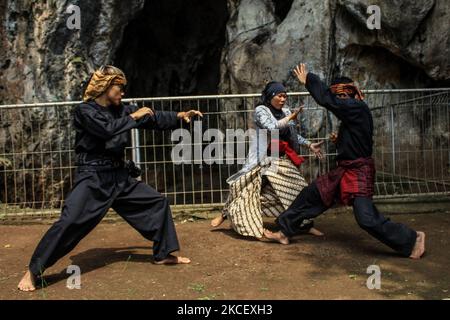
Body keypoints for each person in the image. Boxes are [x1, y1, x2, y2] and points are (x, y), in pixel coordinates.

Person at [18, 65, 203, 291]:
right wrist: (135, 116)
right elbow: (106, 130)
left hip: (118, 176)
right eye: (120, 88)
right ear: (106, 86)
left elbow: (151, 119)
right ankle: (32, 271)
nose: (123, 93)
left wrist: (179, 116)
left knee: (157, 202)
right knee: (69, 221)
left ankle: (163, 255)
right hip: (93, 177)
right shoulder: (85, 111)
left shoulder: (121, 110)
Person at [264, 64, 426, 260]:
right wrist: (339, 140)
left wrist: (309, 79)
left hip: (359, 172)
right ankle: (284, 232)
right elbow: (357, 139)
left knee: (366, 219)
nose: (339, 100)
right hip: (344, 171)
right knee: (311, 194)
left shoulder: (357, 107)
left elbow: (328, 100)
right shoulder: (353, 113)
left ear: (348, 94)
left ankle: (412, 239)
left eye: (340, 95)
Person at [211, 81, 324, 239]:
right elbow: (271, 127)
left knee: (299, 190)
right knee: (242, 187)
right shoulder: (261, 110)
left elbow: (290, 134)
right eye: (280, 95)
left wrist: (309, 144)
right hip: (262, 159)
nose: (283, 99)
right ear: (271, 96)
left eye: (285, 95)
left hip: (281, 159)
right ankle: (225, 214)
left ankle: (305, 225)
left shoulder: (285, 111)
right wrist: (290, 117)